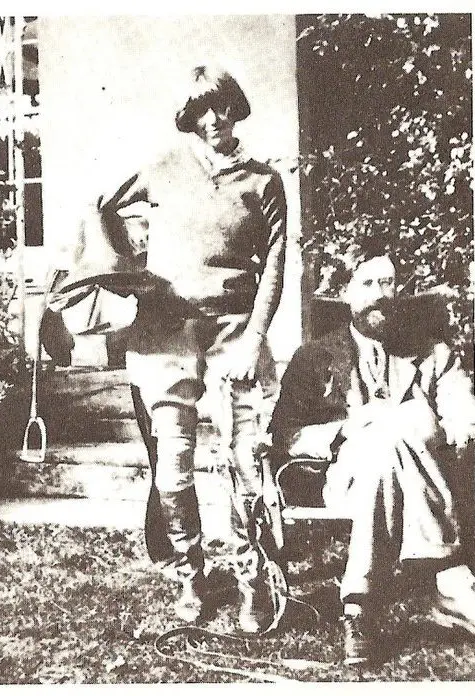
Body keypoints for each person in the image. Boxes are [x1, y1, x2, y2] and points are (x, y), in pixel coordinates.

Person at [78, 65, 287, 632]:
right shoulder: (163, 169)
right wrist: (126, 270)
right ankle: (191, 574)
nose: (214, 119)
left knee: (245, 463)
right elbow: (101, 206)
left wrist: (255, 339)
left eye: (222, 106)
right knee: (172, 469)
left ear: (236, 108)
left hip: (233, 336)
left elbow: (275, 264)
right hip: (166, 336)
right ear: (190, 118)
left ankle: (251, 579)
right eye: (201, 110)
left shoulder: (264, 181)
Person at [269, 235, 475, 664]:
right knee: (394, 428)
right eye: (368, 284)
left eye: (388, 283)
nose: (381, 294)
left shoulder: (432, 354)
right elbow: (286, 436)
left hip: (407, 476)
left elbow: (464, 415)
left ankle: (358, 606)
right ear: (345, 293)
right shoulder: (314, 358)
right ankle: (448, 577)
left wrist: (436, 427)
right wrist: (347, 429)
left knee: (395, 433)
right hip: (345, 481)